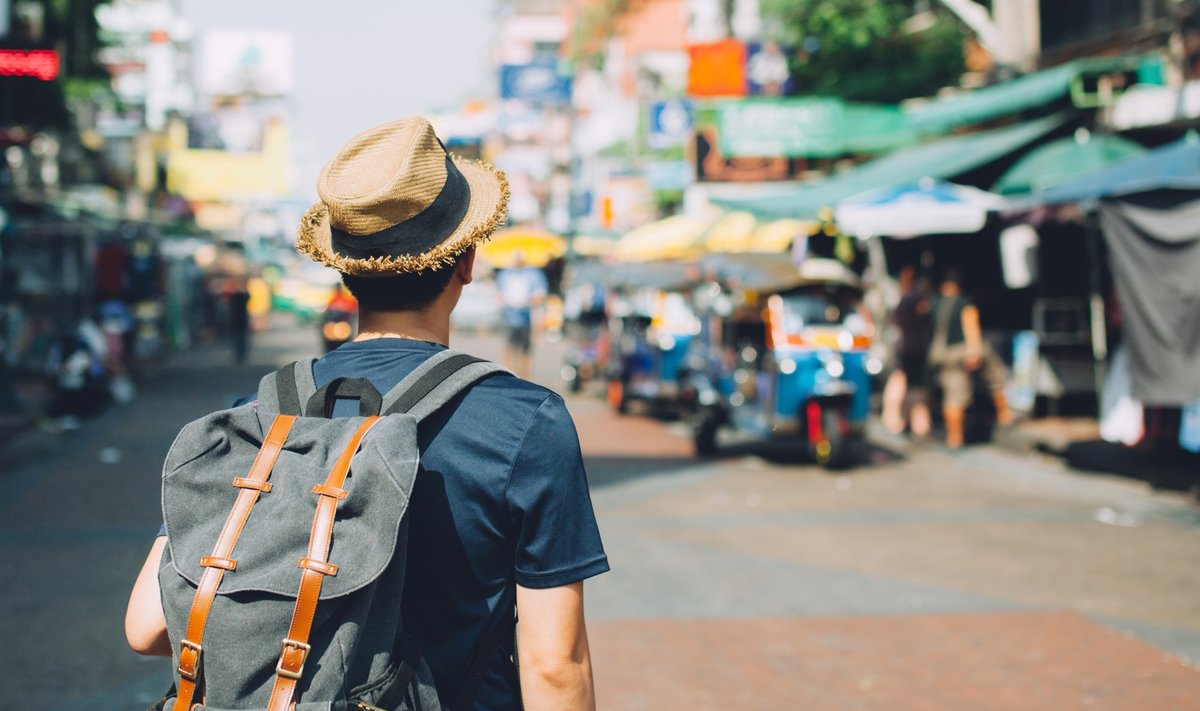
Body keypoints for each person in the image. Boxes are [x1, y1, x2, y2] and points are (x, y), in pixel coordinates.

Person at [125, 117, 608, 710]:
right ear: (467, 261)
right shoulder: (526, 422)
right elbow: (555, 665)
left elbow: (148, 626)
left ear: (345, 268)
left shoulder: (258, 418)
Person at [927, 269, 1014, 449]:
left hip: (941, 355)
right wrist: (974, 351)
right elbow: (971, 326)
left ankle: (954, 437)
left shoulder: (933, 303)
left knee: (953, 394)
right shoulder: (963, 303)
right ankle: (1004, 413)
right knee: (996, 376)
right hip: (962, 351)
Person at [881, 265, 932, 437]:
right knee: (913, 386)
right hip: (914, 349)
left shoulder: (903, 298)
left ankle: (902, 420)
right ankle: (915, 423)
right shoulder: (915, 298)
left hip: (904, 347)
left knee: (906, 383)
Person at [496, 251, 547, 379]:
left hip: (526, 317)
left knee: (526, 349)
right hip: (509, 315)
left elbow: (541, 294)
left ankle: (525, 378)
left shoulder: (533, 274)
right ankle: (507, 376)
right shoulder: (505, 274)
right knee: (509, 347)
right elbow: (498, 293)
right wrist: (507, 301)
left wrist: (527, 300)